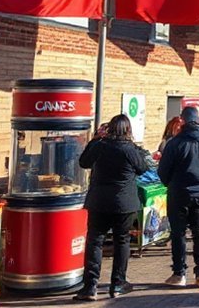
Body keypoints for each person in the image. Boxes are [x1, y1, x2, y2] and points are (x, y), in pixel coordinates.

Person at [73, 114, 148, 301]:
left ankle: (90, 286)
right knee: (121, 241)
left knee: (95, 241)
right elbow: (143, 168)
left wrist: (95, 139)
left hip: (99, 202)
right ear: (128, 130)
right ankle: (118, 283)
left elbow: (83, 162)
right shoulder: (130, 149)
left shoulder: (100, 146)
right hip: (124, 203)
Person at [158, 106, 199, 288]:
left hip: (178, 192)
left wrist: (170, 182)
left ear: (182, 120)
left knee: (178, 233)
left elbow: (163, 171)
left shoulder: (174, 143)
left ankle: (179, 273)